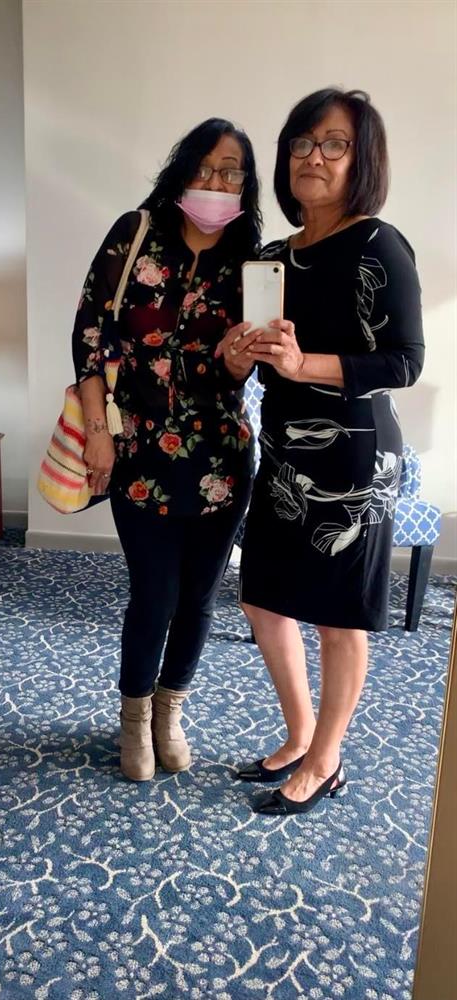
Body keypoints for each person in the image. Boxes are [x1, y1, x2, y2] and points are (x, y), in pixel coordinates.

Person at [216, 89, 425, 815]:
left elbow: (404, 362)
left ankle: (327, 758)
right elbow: (262, 360)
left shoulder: (378, 244)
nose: (313, 156)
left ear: (359, 158)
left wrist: (307, 365)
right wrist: (242, 358)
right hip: (283, 451)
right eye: (302, 142)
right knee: (261, 599)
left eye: (332, 143)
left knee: (338, 616)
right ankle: (301, 733)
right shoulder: (272, 257)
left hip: (353, 456)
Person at [72, 118, 261, 781]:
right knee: (152, 593)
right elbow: (90, 331)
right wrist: (97, 428)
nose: (216, 182)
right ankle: (132, 717)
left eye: (231, 171)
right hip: (139, 452)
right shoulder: (135, 234)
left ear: (247, 184)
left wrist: (240, 364)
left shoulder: (254, 261)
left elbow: (249, 366)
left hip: (220, 456)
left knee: (200, 597)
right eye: (205, 167)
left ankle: (168, 711)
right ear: (181, 170)